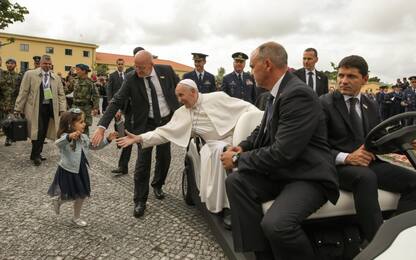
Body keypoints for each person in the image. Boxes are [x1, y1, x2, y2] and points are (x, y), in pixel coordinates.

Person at [221, 42, 339, 260]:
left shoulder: (297, 94)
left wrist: (238, 159)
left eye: (252, 65)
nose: (249, 70)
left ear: (267, 64)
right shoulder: (276, 92)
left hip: (308, 175)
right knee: (236, 183)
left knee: (277, 225)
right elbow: (263, 129)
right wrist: (244, 146)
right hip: (284, 171)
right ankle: (261, 254)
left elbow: (283, 152)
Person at [116, 79, 258, 228]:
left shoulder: (217, 97)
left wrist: (265, 119)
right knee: (220, 151)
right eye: (177, 96)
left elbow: (247, 108)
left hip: (238, 139)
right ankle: (228, 207)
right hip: (213, 145)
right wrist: (139, 138)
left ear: (193, 92)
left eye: (181, 95)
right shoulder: (182, 113)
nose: (179, 100)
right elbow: (163, 133)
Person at [320, 55, 416, 243]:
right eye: (341, 75)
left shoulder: (370, 104)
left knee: (414, 182)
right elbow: (316, 146)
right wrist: (346, 158)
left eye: (351, 76)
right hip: (337, 166)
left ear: (365, 79)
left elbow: (377, 140)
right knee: (366, 177)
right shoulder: (324, 103)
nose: (343, 81)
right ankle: (377, 243)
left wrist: (405, 142)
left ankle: (395, 235)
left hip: (367, 163)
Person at [92, 50, 179, 218]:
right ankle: (140, 200)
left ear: (151, 64)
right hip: (145, 124)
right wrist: (102, 126)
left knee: (164, 157)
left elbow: (180, 90)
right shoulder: (131, 78)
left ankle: (158, 184)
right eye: (136, 67)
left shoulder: (166, 71)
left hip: (166, 122)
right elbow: (116, 100)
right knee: (142, 162)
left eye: (142, 68)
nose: (138, 71)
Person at [47, 108, 117, 227]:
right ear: (71, 124)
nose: (84, 124)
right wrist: (69, 137)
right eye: (81, 122)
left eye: (83, 121)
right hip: (68, 170)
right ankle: (58, 201)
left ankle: (76, 218)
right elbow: (58, 143)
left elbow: (94, 146)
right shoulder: (65, 137)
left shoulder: (84, 137)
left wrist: (107, 140)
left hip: (81, 170)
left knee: (82, 194)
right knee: (68, 193)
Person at [14, 55, 67, 166]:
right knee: (37, 131)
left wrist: (62, 109)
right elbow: (23, 92)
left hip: (50, 108)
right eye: (45, 64)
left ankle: (36, 153)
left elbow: (61, 94)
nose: (47, 66)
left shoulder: (56, 78)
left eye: (49, 64)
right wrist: (18, 108)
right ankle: (36, 155)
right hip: (35, 108)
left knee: (43, 131)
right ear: (40, 64)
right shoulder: (30, 74)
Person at [107, 58, 131, 176]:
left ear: (124, 65)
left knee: (128, 136)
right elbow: (110, 93)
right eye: (119, 64)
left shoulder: (128, 75)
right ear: (116, 65)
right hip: (117, 109)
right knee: (121, 130)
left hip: (129, 109)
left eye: (122, 64)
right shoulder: (112, 76)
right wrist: (115, 108)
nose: (120, 66)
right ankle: (122, 166)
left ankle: (123, 166)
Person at [66, 64, 99, 136]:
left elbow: (96, 95)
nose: (76, 71)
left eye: (78, 70)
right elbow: (68, 90)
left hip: (85, 108)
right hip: (75, 107)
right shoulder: (74, 81)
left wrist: (95, 108)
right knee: (73, 125)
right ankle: (73, 143)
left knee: (85, 127)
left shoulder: (90, 82)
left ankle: (85, 143)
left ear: (84, 71)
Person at [0, 58, 22, 146]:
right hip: (3, 102)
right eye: (8, 63)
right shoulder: (2, 75)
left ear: (15, 65)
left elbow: (21, 90)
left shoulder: (19, 76)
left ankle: (9, 138)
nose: (10, 65)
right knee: (3, 121)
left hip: (13, 103)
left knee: (10, 121)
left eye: (12, 63)